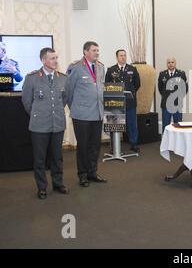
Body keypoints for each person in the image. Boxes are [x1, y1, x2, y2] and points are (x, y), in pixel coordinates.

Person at [21, 47, 69, 199]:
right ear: (43, 60)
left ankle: (58, 183)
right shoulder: (32, 77)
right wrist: (38, 114)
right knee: (40, 158)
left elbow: (64, 99)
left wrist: (54, 113)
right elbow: (27, 101)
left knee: (57, 157)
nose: (56, 61)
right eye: (52, 58)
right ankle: (42, 187)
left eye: (56, 58)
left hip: (57, 124)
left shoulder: (63, 78)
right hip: (39, 125)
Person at [66, 41, 107, 187]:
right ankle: (82, 175)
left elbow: (101, 88)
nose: (97, 52)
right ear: (85, 52)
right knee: (83, 146)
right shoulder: (76, 68)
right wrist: (75, 108)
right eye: (94, 50)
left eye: (98, 50)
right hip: (81, 115)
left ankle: (92, 172)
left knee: (95, 145)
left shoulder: (101, 67)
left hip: (97, 113)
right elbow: (69, 92)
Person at [105, 49, 141, 153]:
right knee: (114, 124)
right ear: (117, 57)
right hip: (115, 103)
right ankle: (113, 146)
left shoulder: (132, 69)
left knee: (132, 124)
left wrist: (130, 92)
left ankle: (134, 143)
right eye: (121, 55)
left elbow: (137, 84)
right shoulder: (111, 70)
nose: (123, 57)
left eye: (125, 55)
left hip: (130, 102)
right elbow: (107, 84)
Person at [157, 57, 188, 133]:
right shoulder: (162, 74)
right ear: (167, 64)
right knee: (166, 126)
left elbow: (185, 88)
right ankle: (166, 143)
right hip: (166, 104)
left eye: (172, 62)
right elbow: (160, 89)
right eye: (169, 62)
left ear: (175, 63)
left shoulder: (181, 74)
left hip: (177, 104)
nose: (170, 64)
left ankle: (179, 143)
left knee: (178, 125)